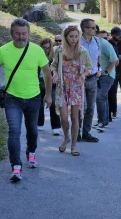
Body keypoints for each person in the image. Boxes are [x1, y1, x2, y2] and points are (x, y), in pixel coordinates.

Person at [0, 18, 52, 182]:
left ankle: (31, 154)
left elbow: (47, 73)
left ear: (28, 34)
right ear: (11, 34)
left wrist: (49, 95)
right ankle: (16, 167)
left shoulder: (37, 50)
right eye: (17, 33)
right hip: (12, 98)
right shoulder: (3, 50)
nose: (21, 37)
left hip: (34, 97)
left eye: (24, 33)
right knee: (14, 131)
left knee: (32, 129)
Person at [51, 26, 92, 156]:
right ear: (66, 37)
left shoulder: (82, 51)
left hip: (76, 87)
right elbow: (53, 65)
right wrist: (55, 74)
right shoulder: (59, 50)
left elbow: (89, 68)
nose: (74, 39)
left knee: (75, 117)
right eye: (71, 36)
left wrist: (83, 75)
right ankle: (66, 137)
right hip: (62, 86)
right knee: (63, 118)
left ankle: (74, 145)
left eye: (76, 36)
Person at [79, 18, 101, 142]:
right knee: (82, 107)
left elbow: (98, 56)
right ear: (85, 29)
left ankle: (86, 133)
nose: (95, 29)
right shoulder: (77, 41)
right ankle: (76, 132)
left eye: (95, 27)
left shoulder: (97, 41)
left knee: (91, 108)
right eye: (93, 27)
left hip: (93, 78)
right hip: (80, 79)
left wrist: (99, 68)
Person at [95, 26, 118, 129]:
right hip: (97, 75)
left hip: (107, 75)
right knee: (103, 97)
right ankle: (105, 120)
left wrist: (106, 72)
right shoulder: (90, 44)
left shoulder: (104, 44)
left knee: (99, 97)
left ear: (97, 34)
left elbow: (114, 60)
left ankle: (102, 121)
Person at [37, 38, 61, 135]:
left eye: (48, 47)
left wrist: (56, 76)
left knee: (54, 104)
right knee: (39, 105)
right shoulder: (37, 56)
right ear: (41, 47)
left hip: (52, 83)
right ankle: (39, 124)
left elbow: (59, 69)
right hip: (39, 83)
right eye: (44, 47)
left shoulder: (54, 57)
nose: (46, 49)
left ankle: (55, 127)